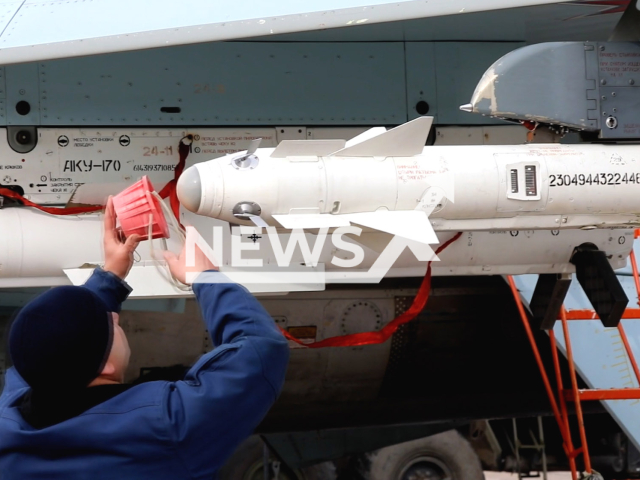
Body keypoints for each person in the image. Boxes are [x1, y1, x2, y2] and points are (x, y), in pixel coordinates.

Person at [0, 197, 290, 479]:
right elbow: (261, 349)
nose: (115, 316)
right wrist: (205, 277)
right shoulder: (166, 427)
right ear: (106, 368)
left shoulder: (9, 420)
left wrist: (109, 277)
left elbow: (48, 345)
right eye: (111, 325)